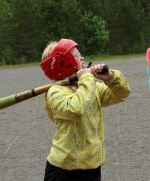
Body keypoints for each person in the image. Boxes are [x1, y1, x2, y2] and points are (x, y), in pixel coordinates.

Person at [40, 38, 131, 181]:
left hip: (91, 165)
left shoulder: (88, 87)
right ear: (63, 63)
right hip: (64, 168)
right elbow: (76, 109)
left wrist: (110, 78)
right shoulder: (55, 92)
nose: (81, 57)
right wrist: (87, 78)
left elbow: (121, 94)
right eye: (76, 55)